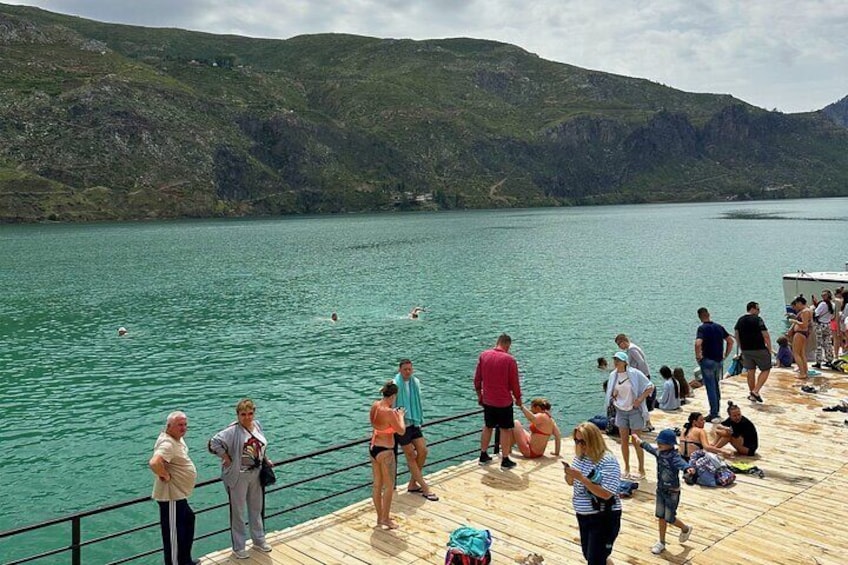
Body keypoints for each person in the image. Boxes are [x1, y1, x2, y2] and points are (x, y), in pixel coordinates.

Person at [208, 399, 273, 559]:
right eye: (243, 414)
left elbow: (259, 446)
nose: (247, 417)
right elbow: (213, 443)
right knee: (237, 512)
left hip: (256, 473)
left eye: (250, 413)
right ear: (238, 415)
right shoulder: (232, 430)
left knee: (256, 508)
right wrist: (226, 457)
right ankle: (238, 547)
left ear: (254, 413)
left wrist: (266, 460)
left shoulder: (257, 425)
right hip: (239, 475)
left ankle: (259, 540)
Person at [563, 422, 622, 565]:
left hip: (602, 516)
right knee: (589, 555)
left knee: (595, 559)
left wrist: (581, 478)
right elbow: (571, 482)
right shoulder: (580, 457)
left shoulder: (607, 460)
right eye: (576, 441)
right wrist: (570, 475)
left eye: (583, 441)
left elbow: (607, 494)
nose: (579, 445)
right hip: (583, 515)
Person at [632, 429, 695, 555]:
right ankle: (661, 542)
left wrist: (688, 468)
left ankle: (685, 528)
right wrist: (638, 440)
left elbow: (682, 463)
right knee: (660, 516)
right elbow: (648, 447)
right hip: (660, 490)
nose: (659, 445)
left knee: (670, 518)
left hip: (672, 492)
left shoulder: (674, 456)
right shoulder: (659, 452)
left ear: (671, 444)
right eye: (659, 442)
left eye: (662, 443)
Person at [148, 411, 198, 565]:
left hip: (179, 495)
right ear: (169, 426)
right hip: (171, 497)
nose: (183, 428)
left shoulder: (176, 439)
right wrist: (164, 475)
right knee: (174, 536)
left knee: (189, 520)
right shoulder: (168, 443)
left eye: (185, 425)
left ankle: (185, 561)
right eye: (179, 425)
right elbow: (154, 462)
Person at [474, 333, 522, 469]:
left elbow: (477, 379)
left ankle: (483, 455)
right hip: (503, 401)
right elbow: (514, 383)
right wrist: (518, 398)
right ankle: (505, 459)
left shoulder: (484, 356)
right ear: (507, 345)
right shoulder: (510, 360)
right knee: (505, 429)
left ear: (497, 342)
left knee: (488, 426)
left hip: (488, 400)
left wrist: (480, 395)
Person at [392, 359, 438, 501]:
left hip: (413, 422)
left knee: (423, 451)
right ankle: (424, 487)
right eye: (405, 369)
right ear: (400, 370)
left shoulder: (415, 382)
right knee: (410, 455)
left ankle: (412, 483)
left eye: (410, 369)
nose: (408, 372)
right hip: (401, 426)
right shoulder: (394, 385)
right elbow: (391, 406)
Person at [604, 351, 654, 479]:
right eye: (614, 360)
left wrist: (640, 399)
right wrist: (614, 396)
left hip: (634, 411)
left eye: (618, 360)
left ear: (625, 362)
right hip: (620, 410)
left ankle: (641, 470)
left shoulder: (635, 373)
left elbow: (650, 386)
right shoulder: (613, 375)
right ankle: (626, 467)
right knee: (624, 441)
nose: (616, 362)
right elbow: (612, 390)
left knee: (637, 441)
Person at [368, 381, 406, 529]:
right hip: (386, 450)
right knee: (389, 486)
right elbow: (401, 430)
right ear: (393, 396)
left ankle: (379, 517)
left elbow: (378, 424)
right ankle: (385, 518)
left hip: (373, 447)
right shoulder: (390, 412)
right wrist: (400, 415)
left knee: (377, 485)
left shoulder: (375, 406)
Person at [695, 307, 735, 420]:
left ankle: (714, 413)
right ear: (709, 314)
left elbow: (698, 343)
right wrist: (725, 355)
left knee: (710, 387)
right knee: (716, 385)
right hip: (718, 361)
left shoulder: (702, 329)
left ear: (699, 317)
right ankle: (716, 409)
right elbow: (730, 341)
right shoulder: (719, 327)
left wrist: (698, 357)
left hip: (707, 361)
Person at [734, 301, 772, 402]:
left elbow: (736, 334)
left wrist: (741, 346)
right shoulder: (758, 319)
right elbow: (766, 335)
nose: (759, 311)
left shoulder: (740, 320)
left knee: (751, 371)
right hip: (759, 348)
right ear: (752, 309)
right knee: (766, 369)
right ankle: (756, 391)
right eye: (758, 309)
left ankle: (752, 394)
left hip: (746, 350)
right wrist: (770, 348)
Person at [615, 334, 655, 430]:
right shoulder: (632, 348)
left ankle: (646, 423)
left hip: (640, 378)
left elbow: (641, 362)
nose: (619, 347)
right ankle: (648, 422)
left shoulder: (632, 350)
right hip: (641, 376)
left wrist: (639, 376)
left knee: (640, 401)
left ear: (623, 341)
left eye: (619, 344)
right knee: (641, 402)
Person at [787, 296, 812, 379]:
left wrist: (794, 321)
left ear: (800, 303)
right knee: (801, 353)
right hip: (803, 333)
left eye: (797, 304)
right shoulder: (807, 310)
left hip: (800, 333)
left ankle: (802, 373)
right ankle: (805, 371)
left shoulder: (805, 311)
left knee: (796, 353)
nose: (796, 306)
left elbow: (804, 324)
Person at [812, 290, 836, 368]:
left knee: (818, 343)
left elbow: (816, 313)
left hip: (820, 325)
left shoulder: (822, 304)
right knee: (828, 343)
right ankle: (829, 360)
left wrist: (814, 306)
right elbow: (832, 316)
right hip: (828, 325)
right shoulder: (833, 304)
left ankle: (818, 362)